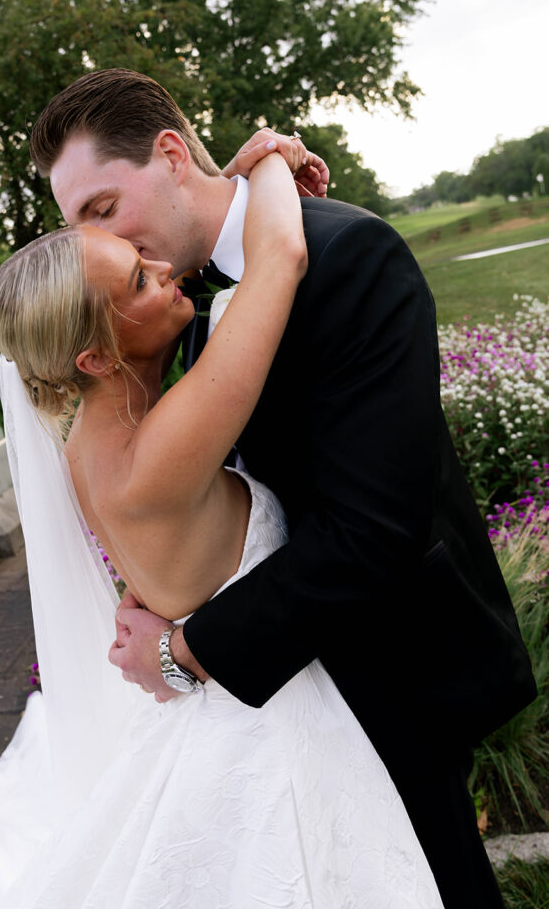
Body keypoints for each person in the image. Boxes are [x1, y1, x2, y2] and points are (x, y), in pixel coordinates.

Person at [0, 144, 443, 907]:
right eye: (138, 280)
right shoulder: (162, 449)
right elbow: (277, 258)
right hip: (274, 726)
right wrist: (266, 158)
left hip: (229, 695)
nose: (166, 271)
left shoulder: (91, 442)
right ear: (97, 357)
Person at [28, 67, 538, 909]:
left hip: (389, 665)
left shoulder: (348, 255)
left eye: (103, 209)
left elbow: (374, 531)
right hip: (290, 698)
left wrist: (187, 646)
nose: (103, 245)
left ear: (167, 155)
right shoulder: (175, 305)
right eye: (77, 223)